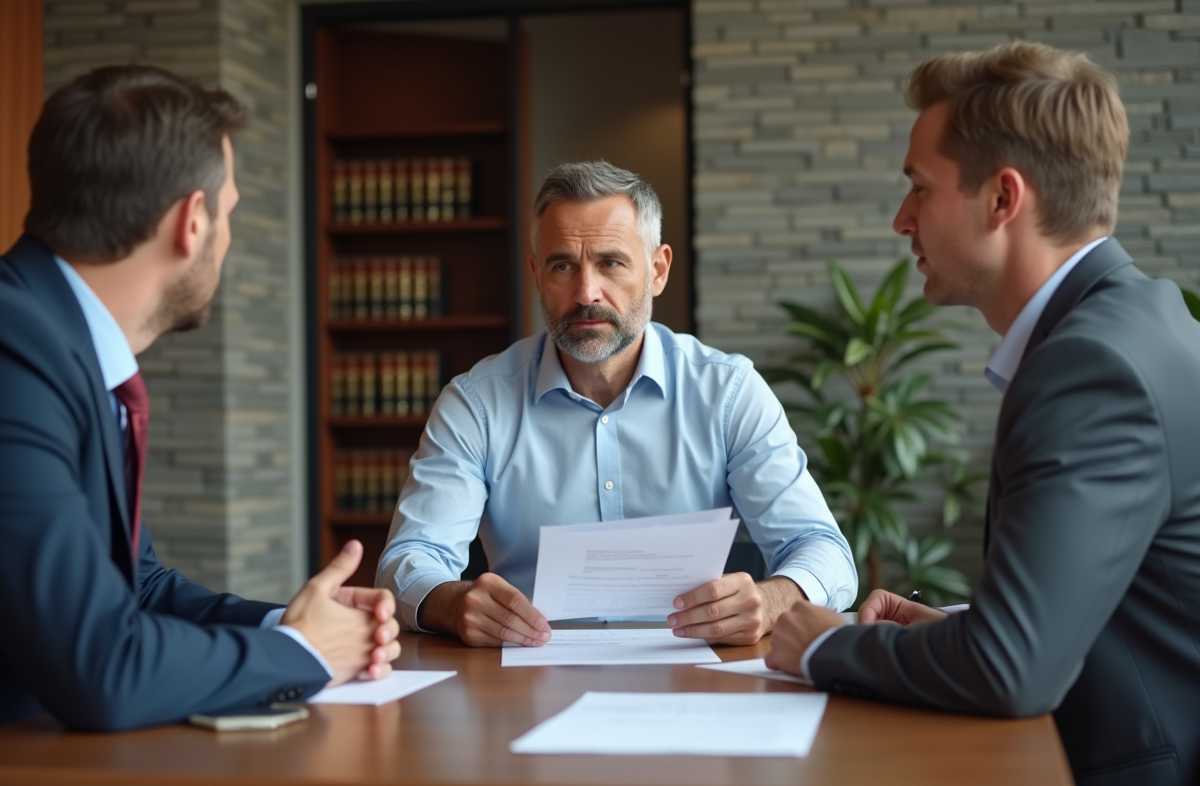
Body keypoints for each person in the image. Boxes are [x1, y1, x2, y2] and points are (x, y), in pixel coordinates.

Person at [764, 41, 1200, 786]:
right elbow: (1098, 613)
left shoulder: (1088, 368)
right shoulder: (1144, 319)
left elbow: (1010, 672)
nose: (903, 220)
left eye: (919, 188)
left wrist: (818, 645)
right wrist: (966, 632)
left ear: (1002, 199)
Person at [0, 65, 400, 731]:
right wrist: (298, 652)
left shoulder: (56, 343)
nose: (228, 237)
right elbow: (102, 667)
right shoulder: (15, 355)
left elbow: (138, 587)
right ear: (192, 220)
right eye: (230, 212)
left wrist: (294, 622)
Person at [378, 160, 856, 648]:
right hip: (525, 680)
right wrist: (452, 603)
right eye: (563, 265)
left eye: (611, 262)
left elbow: (823, 551)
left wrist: (775, 599)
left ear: (658, 270)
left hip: (694, 683)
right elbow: (408, 560)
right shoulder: (476, 404)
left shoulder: (727, 392)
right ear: (537, 275)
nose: (587, 293)